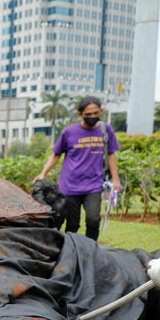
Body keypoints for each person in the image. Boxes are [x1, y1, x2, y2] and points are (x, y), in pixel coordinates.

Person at [34, 96, 121, 241]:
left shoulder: (106, 130)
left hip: (93, 185)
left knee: (93, 220)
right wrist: (43, 173)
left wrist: (115, 179)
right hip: (70, 186)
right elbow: (56, 155)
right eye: (88, 114)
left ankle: (91, 248)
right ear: (80, 114)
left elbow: (111, 155)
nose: (92, 117)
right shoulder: (69, 132)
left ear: (101, 111)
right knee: (72, 224)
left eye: (96, 113)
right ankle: (71, 250)